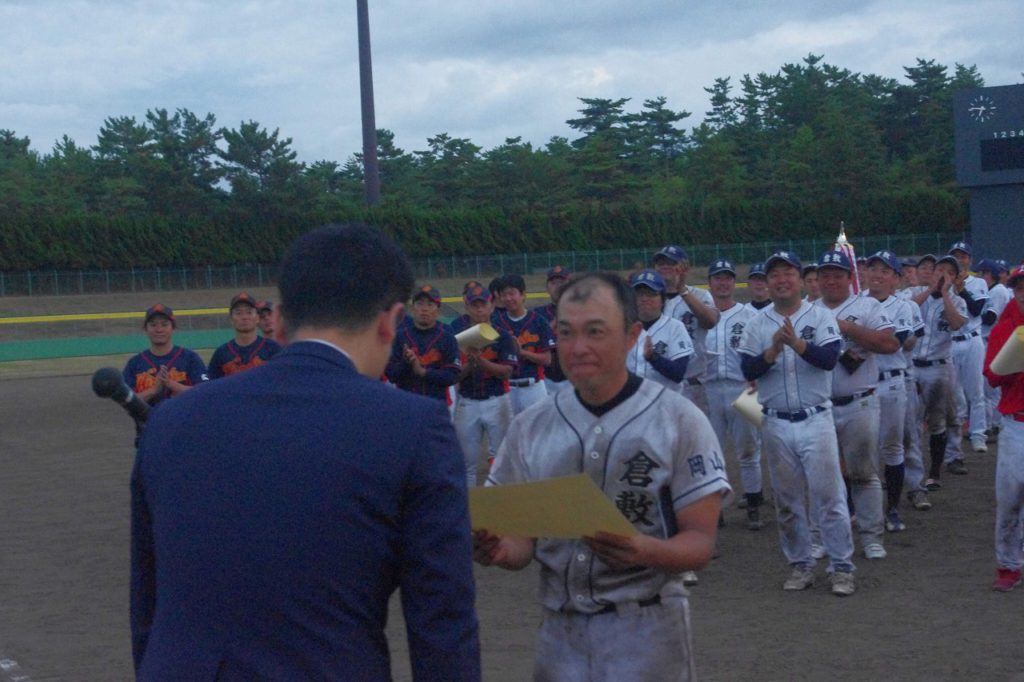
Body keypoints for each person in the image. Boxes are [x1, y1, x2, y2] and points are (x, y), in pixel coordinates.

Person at [130, 223, 481, 680]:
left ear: (277, 319)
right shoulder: (415, 426)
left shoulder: (170, 421)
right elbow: (442, 621)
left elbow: (147, 606)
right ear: (391, 322)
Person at [475, 272, 731, 681]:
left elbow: (700, 542)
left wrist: (646, 550)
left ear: (632, 336)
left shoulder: (679, 419)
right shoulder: (530, 427)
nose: (578, 348)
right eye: (566, 333)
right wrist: (499, 549)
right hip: (560, 632)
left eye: (595, 331)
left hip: (648, 628)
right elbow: (522, 542)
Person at [738, 250, 857, 596]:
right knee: (788, 501)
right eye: (774, 274)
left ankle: (841, 567)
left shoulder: (820, 316)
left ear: (801, 279)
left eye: (788, 273)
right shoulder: (757, 324)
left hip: (816, 418)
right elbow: (748, 369)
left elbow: (829, 359)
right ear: (767, 282)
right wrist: (773, 350)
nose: (782, 280)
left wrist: (796, 343)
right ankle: (801, 564)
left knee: (830, 498)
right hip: (776, 421)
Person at [815, 248, 900, 560]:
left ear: (849, 277)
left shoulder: (866, 306)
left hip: (860, 401)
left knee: (863, 472)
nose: (831, 280)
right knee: (822, 477)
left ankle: (871, 536)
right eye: (826, 275)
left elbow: (890, 344)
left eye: (837, 275)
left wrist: (847, 327)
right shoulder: (809, 310)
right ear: (818, 280)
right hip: (819, 406)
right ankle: (823, 537)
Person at [705, 258, 765, 530]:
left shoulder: (749, 315)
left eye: (727, 277)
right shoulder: (702, 315)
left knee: (749, 449)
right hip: (709, 389)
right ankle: (715, 509)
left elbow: (761, 351)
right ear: (710, 283)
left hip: (744, 387)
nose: (723, 282)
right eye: (718, 277)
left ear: (734, 282)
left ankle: (753, 505)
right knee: (710, 452)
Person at [866, 251, 923, 531]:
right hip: (863, 386)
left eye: (884, 270)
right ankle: (867, 509)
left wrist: (857, 334)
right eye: (873, 268)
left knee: (892, 447)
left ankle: (892, 509)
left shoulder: (902, 306)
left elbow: (893, 342)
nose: (877, 274)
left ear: (896, 278)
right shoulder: (856, 303)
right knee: (865, 450)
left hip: (891, 383)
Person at [452, 282, 518, 487]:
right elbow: (454, 377)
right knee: (466, 464)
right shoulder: (458, 337)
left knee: (503, 462)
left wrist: (480, 361)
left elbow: (506, 372)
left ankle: (503, 503)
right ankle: (470, 505)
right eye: (475, 305)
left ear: (492, 306)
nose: (479, 309)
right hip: (468, 401)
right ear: (467, 307)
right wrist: (471, 364)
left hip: (497, 400)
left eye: (483, 305)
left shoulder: (502, 335)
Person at [983, 264, 1024, 592]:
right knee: (1010, 499)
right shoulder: (1006, 328)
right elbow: (993, 376)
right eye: (1020, 288)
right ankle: (1008, 565)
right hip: (1016, 425)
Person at [911, 255, 967, 491]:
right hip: (912, 366)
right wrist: (930, 290)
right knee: (911, 423)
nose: (943, 274)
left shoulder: (957, 301)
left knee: (938, 421)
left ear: (955, 278)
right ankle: (912, 475)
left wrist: (944, 294)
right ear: (932, 272)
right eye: (939, 269)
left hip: (938, 368)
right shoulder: (915, 293)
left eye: (949, 272)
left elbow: (957, 324)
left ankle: (934, 473)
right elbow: (905, 309)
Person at [652, 245, 719, 410]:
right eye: (661, 263)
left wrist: (682, 291)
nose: (665, 266)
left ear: (684, 266)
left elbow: (710, 321)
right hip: (656, 383)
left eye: (671, 263)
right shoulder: (649, 298)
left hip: (692, 385)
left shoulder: (700, 295)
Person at [948, 241, 991, 454]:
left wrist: (962, 290)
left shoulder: (978, 282)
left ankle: (978, 435)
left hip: (973, 339)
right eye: (956, 256)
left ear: (970, 260)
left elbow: (976, 309)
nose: (959, 259)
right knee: (954, 394)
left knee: (976, 391)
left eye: (963, 256)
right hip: (950, 341)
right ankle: (955, 439)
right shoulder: (944, 283)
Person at [493, 274, 556, 414]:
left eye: (512, 293)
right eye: (504, 295)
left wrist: (521, 352)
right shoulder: (496, 323)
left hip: (533, 387)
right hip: (506, 388)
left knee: (538, 427)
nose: (508, 298)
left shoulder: (538, 321)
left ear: (522, 295)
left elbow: (547, 359)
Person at [385, 284, 461, 401]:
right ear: (412, 308)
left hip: (437, 403)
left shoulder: (448, 338)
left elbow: (452, 376)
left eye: (430, 304)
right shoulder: (400, 337)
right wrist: (405, 363)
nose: (424, 309)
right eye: (420, 304)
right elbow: (391, 376)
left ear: (438, 310)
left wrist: (424, 372)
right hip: (406, 403)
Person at [122, 303, 208, 406]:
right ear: (146, 329)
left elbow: (204, 392)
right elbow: (126, 400)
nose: (159, 330)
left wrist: (172, 384)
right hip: (148, 416)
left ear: (173, 328)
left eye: (164, 324)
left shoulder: (190, 358)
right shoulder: (135, 363)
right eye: (153, 325)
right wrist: (153, 390)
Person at [626, 270, 693, 390]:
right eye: (639, 294)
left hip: (665, 400)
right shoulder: (623, 328)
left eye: (651, 293)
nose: (644, 298)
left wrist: (653, 358)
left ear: (662, 299)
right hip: (632, 399)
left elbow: (678, 373)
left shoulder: (675, 327)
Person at [207, 292, 282, 379]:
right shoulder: (221, 353)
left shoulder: (273, 349)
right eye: (238, 313)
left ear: (257, 318)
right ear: (231, 319)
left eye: (249, 312)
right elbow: (211, 384)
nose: (244, 317)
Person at [978, 258, 1012, 439]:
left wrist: (971, 311)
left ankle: (996, 425)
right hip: (988, 341)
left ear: (989, 274)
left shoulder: (998, 291)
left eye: (982, 273)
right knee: (986, 388)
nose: (979, 276)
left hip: (993, 341)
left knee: (991, 388)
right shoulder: (992, 290)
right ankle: (992, 424)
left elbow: (990, 318)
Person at [534, 265, 570, 392]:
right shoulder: (537, 314)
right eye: (553, 283)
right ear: (547, 288)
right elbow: (533, 342)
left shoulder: (583, 311)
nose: (558, 286)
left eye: (562, 282)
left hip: (576, 377)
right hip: (546, 381)